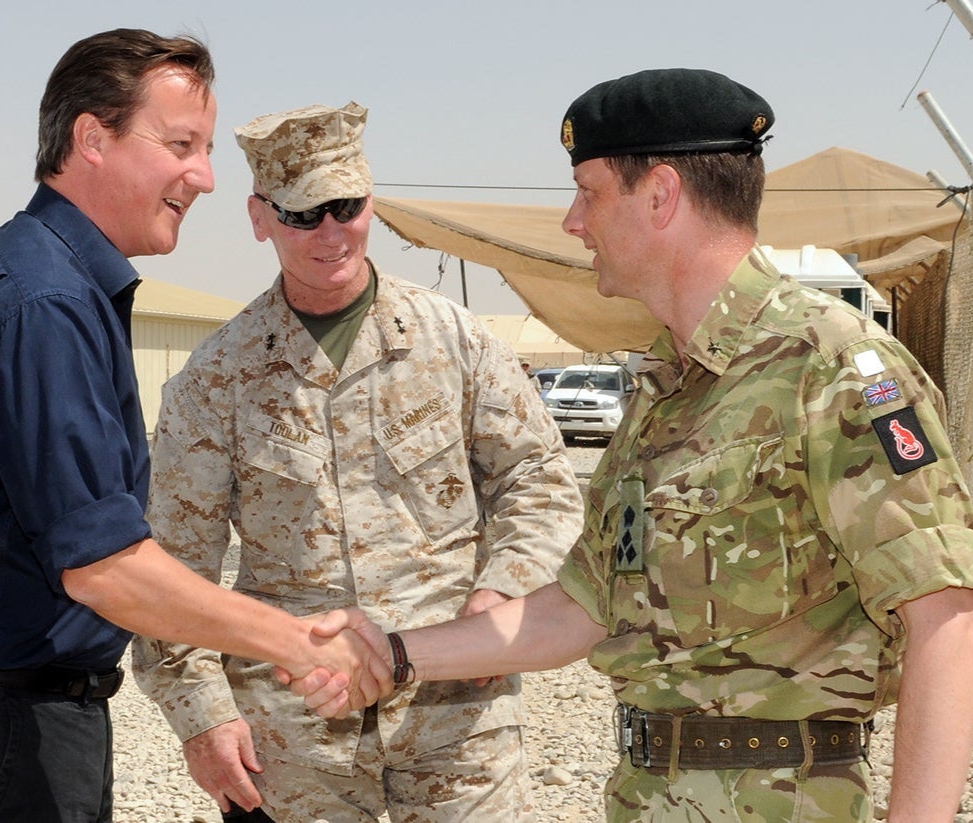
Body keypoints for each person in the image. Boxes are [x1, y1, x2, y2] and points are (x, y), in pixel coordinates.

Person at [292, 69, 973, 822]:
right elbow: (578, 612)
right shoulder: (662, 391)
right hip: (647, 797)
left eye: (587, 191)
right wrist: (392, 652)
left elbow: (943, 616)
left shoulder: (830, 366)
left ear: (658, 196)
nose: (572, 222)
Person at [0, 31, 387, 823]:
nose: (206, 177)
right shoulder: (41, 299)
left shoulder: (45, 275)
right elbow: (103, 566)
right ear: (92, 138)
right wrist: (299, 642)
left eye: (207, 149)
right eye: (180, 144)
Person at [131, 101, 584, 822]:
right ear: (260, 217)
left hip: (456, 722)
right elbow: (172, 571)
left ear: (370, 201)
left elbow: (540, 483)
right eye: (302, 214)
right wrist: (202, 717)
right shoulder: (216, 378)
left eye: (345, 206)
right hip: (293, 743)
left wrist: (502, 592)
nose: (329, 232)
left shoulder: (456, 344)